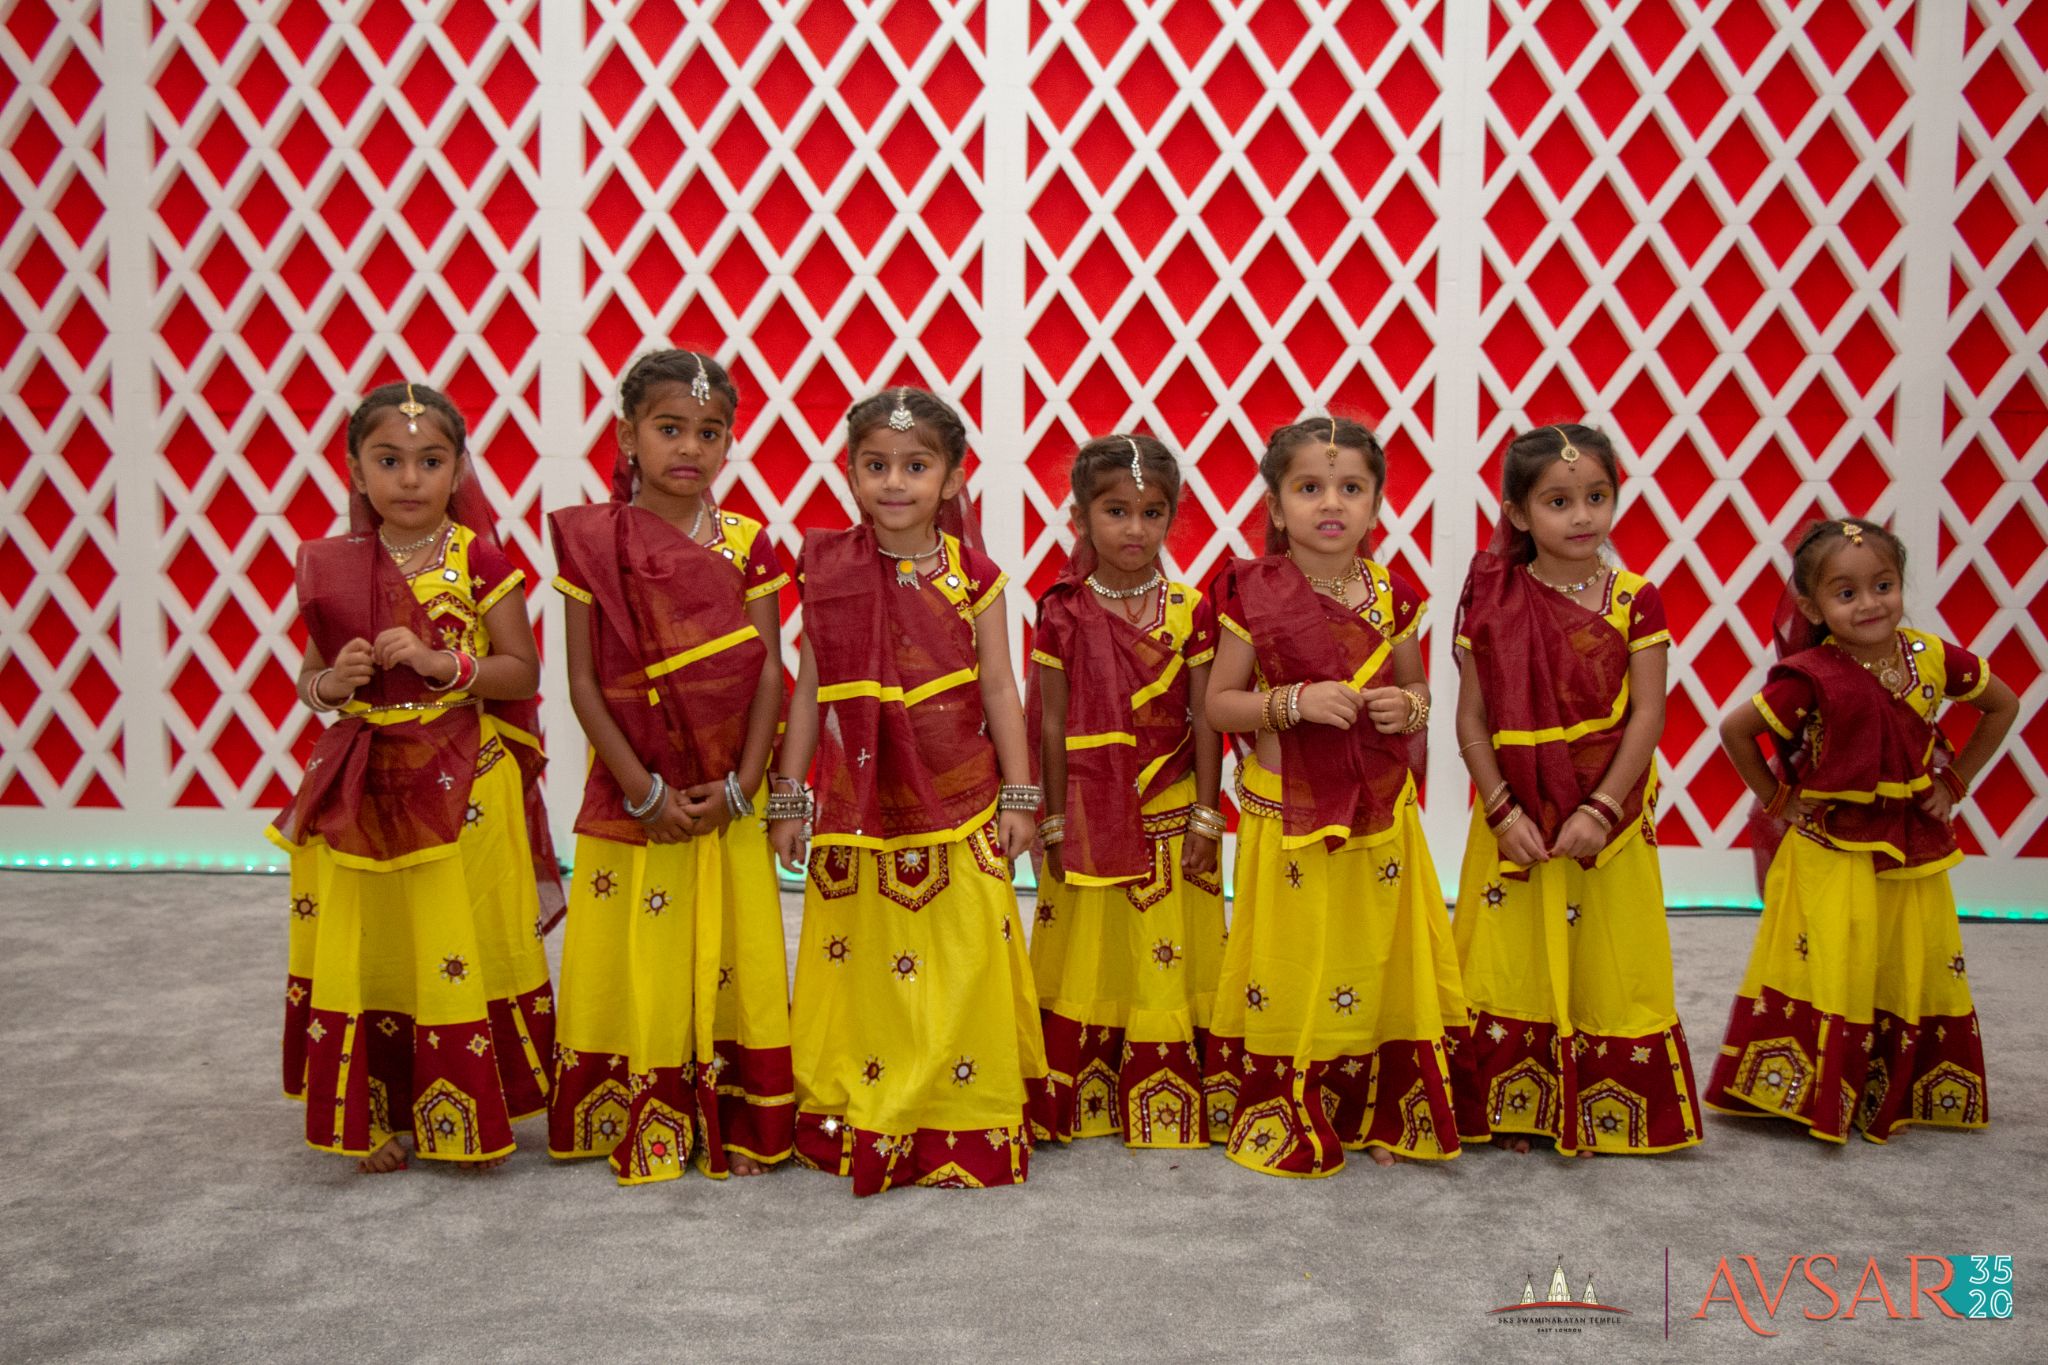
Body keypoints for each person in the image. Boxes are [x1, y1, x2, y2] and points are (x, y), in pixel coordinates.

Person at [769, 387, 1053, 1195]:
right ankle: (861, 1103)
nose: (896, 482)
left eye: (916, 466)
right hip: (859, 807)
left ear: (953, 479)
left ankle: (960, 1108)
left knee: (963, 953)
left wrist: (1021, 794)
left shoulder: (977, 577)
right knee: (861, 961)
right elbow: (809, 690)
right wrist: (791, 797)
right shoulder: (829, 571)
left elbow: (1000, 687)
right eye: (877, 465)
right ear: (851, 475)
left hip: (961, 797)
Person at [273, 382, 561, 1172]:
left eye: (430, 461)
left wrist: (444, 664)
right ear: (356, 471)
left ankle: (466, 1107)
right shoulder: (334, 566)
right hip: (365, 780)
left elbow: (519, 671)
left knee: (453, 939)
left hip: (464, 781)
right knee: (375, 944)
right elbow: (310, 681)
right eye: (389, 460)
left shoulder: (478, 557)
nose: (409, 478)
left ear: (459, 468)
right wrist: (338, 680)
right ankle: (375, 1111)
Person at [547, 349, 795, 1182]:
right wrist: (641, 789)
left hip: (727, 791)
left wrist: (742, 784)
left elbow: (768, 670)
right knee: (638, 946)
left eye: (709, 432)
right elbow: (583, 682)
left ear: (729, 444)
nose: (688, 447)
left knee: (733, 948)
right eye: (668, 429)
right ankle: (635, 1104)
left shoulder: (749, 545)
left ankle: (738, 1112)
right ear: (627, 436)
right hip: (635, 789)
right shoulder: (594, 544)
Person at [1202, 416, 1470, 1176]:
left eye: (1351, 487)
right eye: (1310, 487)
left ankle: (1379, 1105)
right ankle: (1289, 1106)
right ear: (1277, 504)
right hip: (1287, 815)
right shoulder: (1254, 591)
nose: (1332, 503)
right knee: (1296, 957)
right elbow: (1220, 703)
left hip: (1378, 812)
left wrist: (1406, 708)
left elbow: (1418, 685)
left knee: (1373, 953)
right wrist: (1292, 702)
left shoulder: (1391, 591)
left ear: (1377, 503)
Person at [1706, 516, 2017, 1143]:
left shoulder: (1930, 657)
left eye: (1884, 586)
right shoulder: (1812, 674)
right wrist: (1777, 800)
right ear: (1810, 604)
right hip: (1829, 848)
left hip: (1911, 843)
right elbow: (1736, 730)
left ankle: (1892, 1084)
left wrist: (1954, 782)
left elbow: (2001, 703)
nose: (1870, 604)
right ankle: (1808, 1090)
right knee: (1829, 958)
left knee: (1906, 955)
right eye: (1846, 594)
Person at [1449, 422, 1702, 1156]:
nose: (1583, 514)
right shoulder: (1495, 596)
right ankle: (1511, 1103)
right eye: (1559, 501)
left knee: (1611, 953)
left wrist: (1602, 808)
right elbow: (1471, 716)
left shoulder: (1636, 598)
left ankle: (1600, 1103)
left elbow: (1648, 715)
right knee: (1508, 951)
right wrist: (1500, 811)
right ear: (1520, 514)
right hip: (1513, 813)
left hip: (1609, 816)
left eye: (1597, 495)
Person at [1029, 433, 1225, 1148]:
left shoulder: (1191, 607)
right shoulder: (1064, 611)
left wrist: (1208, 812)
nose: (1134, 529)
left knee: (1166, 948)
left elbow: (1207, 718)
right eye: (1115, 510)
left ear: (1173, 518)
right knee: (1092, 944)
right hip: (1086, 811)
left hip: (1173, 810)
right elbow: (1050, 722)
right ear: (1080, 517)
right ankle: (1085, 1092)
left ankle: (1171, 1088)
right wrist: (1053, 822)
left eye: (1152, 511)